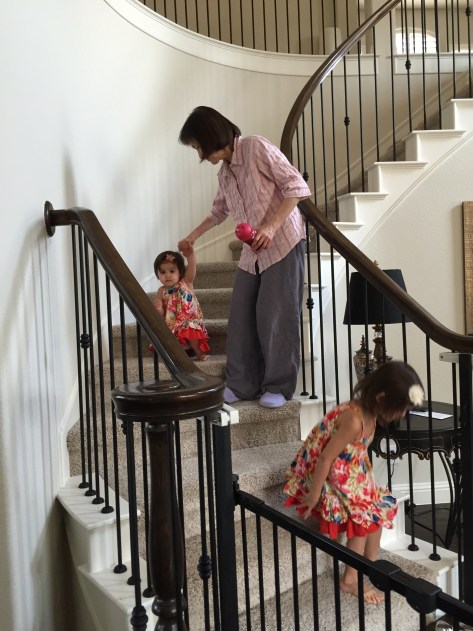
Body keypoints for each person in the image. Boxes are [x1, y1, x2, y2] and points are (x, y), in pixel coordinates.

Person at [177, 106, 311, 408]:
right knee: (240, 317)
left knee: (275, 315)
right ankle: (241, 385)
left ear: (209, 136)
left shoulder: (255, 147)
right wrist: (192, 237)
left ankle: (278, 386)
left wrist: (271, 226)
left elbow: (296, 185)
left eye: (197, 145)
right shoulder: (225, 173)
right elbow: (218, 211)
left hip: (283, 242)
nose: (199, 153)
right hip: (253, 252)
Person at [284, 361, 424, 604]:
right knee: (362, 517)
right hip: (324, 471)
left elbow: (354, 453)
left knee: (377, 508)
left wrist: (366, 485)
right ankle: (350, 579)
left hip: (348, 468)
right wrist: (314, 494)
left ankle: (368, 566)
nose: (402, 415)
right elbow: (325, 458)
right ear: (381, 398)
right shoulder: (353, 419)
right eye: (401, 409)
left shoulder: (371, 415)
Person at [153, 245, 210, 361]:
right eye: (162, 272)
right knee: (167, 337)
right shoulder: (161, 291)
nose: (167, 275)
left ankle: (199, 352)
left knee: (191, 331)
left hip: (188, 320)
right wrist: (159, 309)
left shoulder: (185, 282)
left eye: (172, 271)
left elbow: (192, 268)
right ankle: (175, 356)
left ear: (180, 272)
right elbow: (161, 313)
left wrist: (190, 255)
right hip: (171, 323)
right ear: (157, 274)